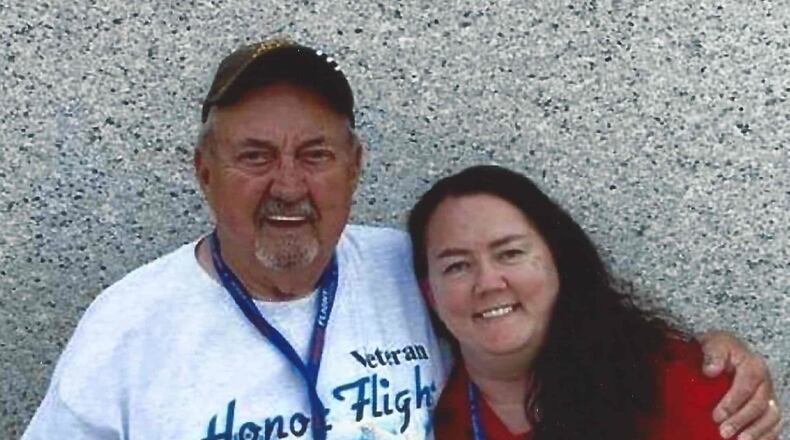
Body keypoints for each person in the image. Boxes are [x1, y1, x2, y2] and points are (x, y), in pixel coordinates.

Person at [22, 39, 779, 439]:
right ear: (204, 171)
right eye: (255, 156)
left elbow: (550, 329)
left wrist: (709, 361)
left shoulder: (417, 271)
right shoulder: (128, 325)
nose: (289, 184)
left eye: (315, 154)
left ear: (354, 168)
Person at [408, 165, 783, 439]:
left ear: (558, 259)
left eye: (510, 254)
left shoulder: (674, 382)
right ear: (430, 292)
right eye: (457, 266)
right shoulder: (423, 416)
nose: (488, 282)